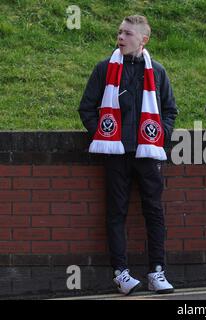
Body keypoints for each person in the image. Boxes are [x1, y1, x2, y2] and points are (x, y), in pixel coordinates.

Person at [78, 15, 178, 295]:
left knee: (154, 212)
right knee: (116, 212)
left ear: (143, 39)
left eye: (127, 33)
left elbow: (170, 110)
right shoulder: (104, 69)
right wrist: (104, 136)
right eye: (119, 32)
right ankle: (120, 273)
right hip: (116, 155)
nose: (120, 37)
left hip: (148, 155)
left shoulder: (157, 71)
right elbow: (86, 108)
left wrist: (160, 135)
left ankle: (157, 271)